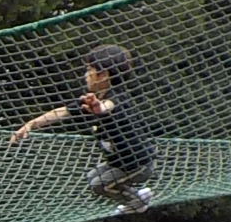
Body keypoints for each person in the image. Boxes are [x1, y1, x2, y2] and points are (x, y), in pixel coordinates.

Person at [10, 43, 157, 213]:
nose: (85, 75)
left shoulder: (117, 97)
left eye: (89, 70)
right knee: (91, 177)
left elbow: (107, 106)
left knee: (99, 185)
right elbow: (62, 112)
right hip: (118, 163)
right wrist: (30, 124)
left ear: (103, 75)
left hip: (138, 165)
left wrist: (98, 108)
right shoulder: (89, 100)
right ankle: (136, 196)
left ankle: (138, 200)